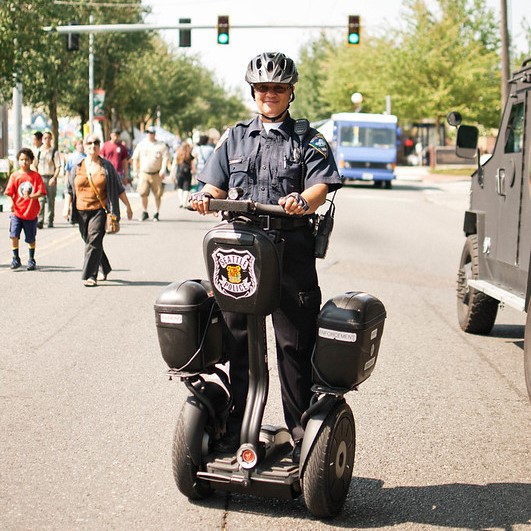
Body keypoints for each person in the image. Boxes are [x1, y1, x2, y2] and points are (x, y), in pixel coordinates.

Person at [189, 52, 342, 461]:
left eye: (277, 88)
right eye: (262, 88)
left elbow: (319, 188)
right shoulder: (234, 137)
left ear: (290, 92)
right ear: (253, 92)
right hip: (240, 255)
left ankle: (298, 436)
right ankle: (241, 430)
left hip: (290, 252)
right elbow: (215, 186)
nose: (269, 94)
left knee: (293, 346)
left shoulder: (309, 139)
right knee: (239, 342)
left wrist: (300, 200)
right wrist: (205, 199)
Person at [64, 135, 133, 287]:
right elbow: (69, 189)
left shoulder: (106, 166)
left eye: (96, 143)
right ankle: (105, 267)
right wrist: (66, 207)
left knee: (94, 241)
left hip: (99, 210)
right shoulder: (77, 167)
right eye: (89, 143)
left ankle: (90, 275)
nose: (93, 145)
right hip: (80, 210)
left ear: (99, 146)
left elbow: (119, 188)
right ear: (84, 145)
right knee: (89, 242)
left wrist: (127, 206)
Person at [5, 148, 47, 271]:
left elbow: (42, 192)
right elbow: (9, 193)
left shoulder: (35, 176)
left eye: (27, 160)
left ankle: (31, 259)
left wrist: (31, 196)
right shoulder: (15, 176)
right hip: (17, 212)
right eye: (21, 160)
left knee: (30, 238)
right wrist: (11, 203)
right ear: (18, 161)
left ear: (31, 161)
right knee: (13, 235)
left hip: (31, 213)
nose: (24, 162)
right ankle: (15, 258)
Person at [131, 126, 169, 221]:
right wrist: (135, 171)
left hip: (156, 173)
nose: (149, 134)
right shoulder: (141, 144)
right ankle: (145, 211)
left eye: (151, 133)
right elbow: (135, 158)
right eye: (148, 132)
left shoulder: (161, 145)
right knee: (143, 193)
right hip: (144, 173)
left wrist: (163, 169)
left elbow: (165, 158)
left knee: (158, 194)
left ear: (154, 134)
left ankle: (156, 212)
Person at [36, 130, 61, 229]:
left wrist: (54, 178)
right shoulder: (39, 151)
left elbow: (58, 166)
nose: (47, 140)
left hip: (51, 177)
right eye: (45, 138)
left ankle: (50, 220)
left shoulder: (54, 151)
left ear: (51, 139)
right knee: (41, 200)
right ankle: (40, 220)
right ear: (42, 139)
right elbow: (34, 165)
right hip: (41, 177)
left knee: (51, 200)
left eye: (49, 138)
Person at [170, 141, 194, 208]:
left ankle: (181, 202)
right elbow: (193, 166)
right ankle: (184, 203)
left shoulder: (178, 154)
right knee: (186, 188)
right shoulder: (190, 155)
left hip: (179, 173)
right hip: (188, 173)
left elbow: (174, 164)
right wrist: (194, 173)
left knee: (179, 187)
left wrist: (172, 173)